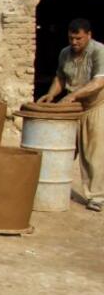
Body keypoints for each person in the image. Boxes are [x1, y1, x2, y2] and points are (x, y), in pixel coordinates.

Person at [37, 18, 104, 212]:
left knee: (94, 153)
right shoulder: (65, 53)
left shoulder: (99, 51)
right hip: (73, 107)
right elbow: (61, 77)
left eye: (79, 39)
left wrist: (72, 95)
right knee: (63, 147)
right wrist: (51, 94)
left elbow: (99, 82)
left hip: (96, 105)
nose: (74, 42)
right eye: (71, 38)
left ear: (89, 36)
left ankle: (96, 196)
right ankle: (57, 186)